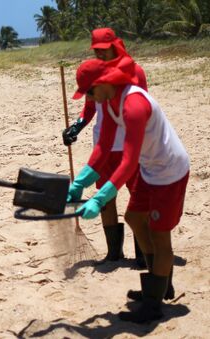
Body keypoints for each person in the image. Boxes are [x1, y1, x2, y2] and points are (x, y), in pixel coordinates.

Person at [68, 58, 189, 323]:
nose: (88, 98)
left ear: (102, 84)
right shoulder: (110, 101)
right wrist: (81, 181)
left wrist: (100, 198)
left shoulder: (133, 104)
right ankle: (158, 283)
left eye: (89, 92)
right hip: (150, 168)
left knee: (160, 235)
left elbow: (129, 160)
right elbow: (103, 146)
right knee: (135, 218)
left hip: (168, 171)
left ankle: (154, 304)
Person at [62, 28, 148, 267]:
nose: (100, 55)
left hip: (131, 145)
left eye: (103, 50)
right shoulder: (94, 74)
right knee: (106, 198)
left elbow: (142, 107)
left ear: (115, 46)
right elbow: (89, 108)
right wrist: (76, 127)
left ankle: (143, 253)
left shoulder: (135, 72)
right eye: (96, 51)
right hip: (104, 144)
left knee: (137, 198)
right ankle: (113, 253)